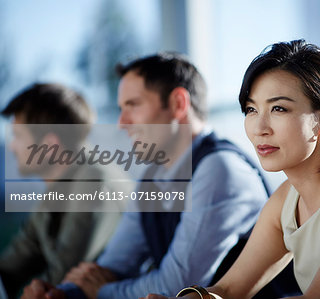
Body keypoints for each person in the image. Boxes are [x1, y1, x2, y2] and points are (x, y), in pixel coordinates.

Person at [145, 40, 320, 299]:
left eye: (278, 109)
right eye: (251, 110)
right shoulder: (286, 198)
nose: (260, 128)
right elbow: (230, 289)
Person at [21, 53, 299, 299]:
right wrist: (63, 293)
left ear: (178, 103)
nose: (122, 123)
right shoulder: (153, 177)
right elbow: (114, 264)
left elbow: (177, 286)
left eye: (133, 105)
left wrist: (101, 293)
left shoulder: (220, 170)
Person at [0, 83, 127, 298]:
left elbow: (62, 283)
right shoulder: (54, 194)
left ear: (49, 145)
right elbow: (13, 265)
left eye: (18, 136)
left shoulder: (95, 183)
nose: (12, 147)